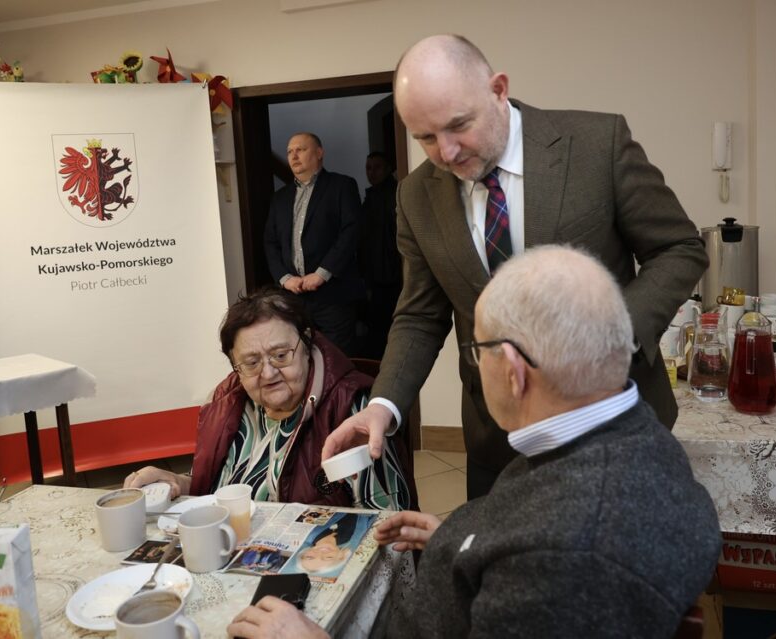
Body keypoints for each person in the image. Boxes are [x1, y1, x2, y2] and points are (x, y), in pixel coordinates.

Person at [228, 246, 721, 639]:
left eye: (475, 349)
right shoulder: (631, 435)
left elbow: (550, 560)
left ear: (512, 367)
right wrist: (463, 538)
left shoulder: (567, 564)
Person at [323, 34, 709, 499]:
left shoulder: (596, 145)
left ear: (498, 90)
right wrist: (384, 403)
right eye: (425, 137)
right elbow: (420, 315)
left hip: (610, 420)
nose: (446, 153)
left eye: (458, 125)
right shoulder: (415, 196)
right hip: (497, 440)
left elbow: (679, 248)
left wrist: (612, 337)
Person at [124, 288, 416, 511]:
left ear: (306, 343)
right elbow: (217, 487)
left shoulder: (353, 408)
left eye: (280, 355)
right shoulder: (228, 403)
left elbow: (386, 519)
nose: (267, 373)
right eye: (251, 362)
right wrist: (177, 483)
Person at [264, 132, 364, 356]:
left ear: (319, 153)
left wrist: (322, 273)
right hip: (294, 299)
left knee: (338, 362)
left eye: (301, 149)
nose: (293, 156)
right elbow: (270, 243)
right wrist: (285, 278)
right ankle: (312, 395)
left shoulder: (341, 186)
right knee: (301, 361)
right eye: (290, 151)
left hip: (334, 296)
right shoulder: (280, 198)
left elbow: (351, 232)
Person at [357, 151, 402, 359]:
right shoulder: (370, 198)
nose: (371, 172)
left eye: (376, 167)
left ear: (388, 169)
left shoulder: (396, 195)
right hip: (375, 278)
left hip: (394, 277)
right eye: (368, 168)